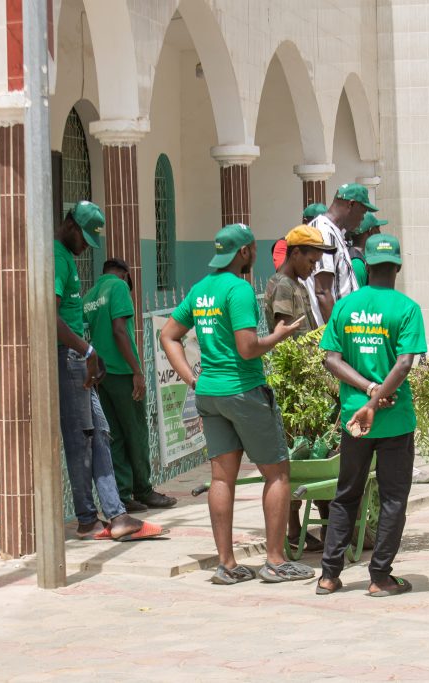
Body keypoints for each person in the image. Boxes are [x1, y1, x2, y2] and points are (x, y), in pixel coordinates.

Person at [159, 223, 313, 585]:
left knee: (221, 478)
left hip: (210, 394)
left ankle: (226, 564)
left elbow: (168, 336)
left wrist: (191, 379)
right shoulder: (239, 289)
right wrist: (278, 335)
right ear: (244, 252)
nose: (255, 253)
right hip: (244, 391)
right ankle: (275, 561)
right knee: (277, 473)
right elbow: (247, 348)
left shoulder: (200, 289)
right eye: (253, 248)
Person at [315, 233, 426, 598]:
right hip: (393, 421)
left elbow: (331, 359)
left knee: (347, 494)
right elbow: (404, 363)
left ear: (366, 267)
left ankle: (328, 575)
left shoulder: (346, 306)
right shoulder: (406, 308)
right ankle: (379, 577)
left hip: (355, 420)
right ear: (397, 266)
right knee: (393, 499)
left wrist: (367, 391)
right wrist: (379, 397)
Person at [55, 201, 163, 542]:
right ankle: (91, 517)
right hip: (73, 359)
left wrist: (90, 352)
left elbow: (79, 319)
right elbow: (50, 314)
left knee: (101, 434)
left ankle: (115, 513)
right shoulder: (59, 258)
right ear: (70, 225)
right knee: (84, 439)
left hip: (84, 359)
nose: (86, 246)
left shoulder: (80, 274)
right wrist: (88, 351)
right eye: (84, 238)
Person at [82, 258, 178, 513]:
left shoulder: (90, 295)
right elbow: (119, 330)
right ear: (125, 274)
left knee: (114, 436)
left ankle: (123, 495)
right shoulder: (118, 287)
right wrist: (137, 370)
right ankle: (144, 490)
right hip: (123, 372)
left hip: (101, 375)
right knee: (136, 433)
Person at [263, 224, 337, 551]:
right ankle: (295, 531)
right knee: (299, 458)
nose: (313, 268)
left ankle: (312, 528)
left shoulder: (296, 284)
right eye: (310, 260)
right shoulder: (283, 286)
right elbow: (285, 336)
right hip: (295, 385)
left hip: (307, 381)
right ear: (295, 254)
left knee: (310, 456)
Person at [305, 184, 377, 326]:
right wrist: (336, 335)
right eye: (362, 212)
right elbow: (322, 291)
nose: (362, 219)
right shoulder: (324, 232)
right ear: (351, 204)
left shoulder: (333, 231)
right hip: (333, 332)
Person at [349, 213, 388, 287]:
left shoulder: (358, 257)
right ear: (371, 231)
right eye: (377, 229)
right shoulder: (357, 264)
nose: (380, 233)